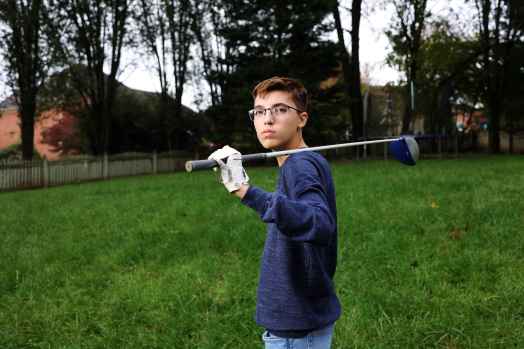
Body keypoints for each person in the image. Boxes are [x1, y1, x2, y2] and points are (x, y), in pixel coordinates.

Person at [208, 76, 341, 349]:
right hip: (304, 317)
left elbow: (319, 222)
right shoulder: (305, 161)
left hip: (296, 328)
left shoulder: (299, 165)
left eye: (280, 109)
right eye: (259, 111)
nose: (267, 119)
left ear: (302, 119)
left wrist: (243, 190)